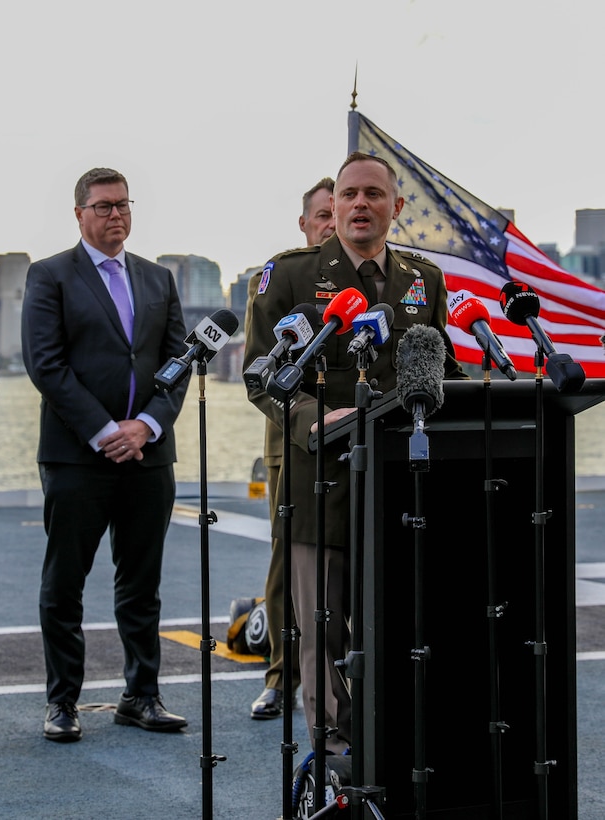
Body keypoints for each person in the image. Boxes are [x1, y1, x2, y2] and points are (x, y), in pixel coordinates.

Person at [244, 153, 466, 753]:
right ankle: (338, 761)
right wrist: (319, 418)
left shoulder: (423, 281)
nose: (360, 204)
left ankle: (392, 745)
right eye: (349, 195)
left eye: (374, 194)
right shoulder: (288, 277)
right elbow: (262, 376)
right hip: (322, 485)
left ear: (396, 207)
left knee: (398, 624)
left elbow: (443, 366)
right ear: (333, 207)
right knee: (324, 634)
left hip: (400, 483)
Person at [22, 167, 190, 742]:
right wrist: (103, 431)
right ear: (79, 214)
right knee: (65, 583)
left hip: (147, 456)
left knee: (142, 584)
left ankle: (141, 695)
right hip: (76, 458)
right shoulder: (49, 276)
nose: (114, 214)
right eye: (102, 206)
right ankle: (62, 702)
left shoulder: (159, 279)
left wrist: (145, 426)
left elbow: (178, 363)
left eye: (122, 205)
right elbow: (46, 365)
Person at [249, 177, 335, 720]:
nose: (332, 221)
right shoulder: (284, 273)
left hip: (368, 437)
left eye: (338, 210)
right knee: (289, 562)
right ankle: (283, 675)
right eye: (322, 213)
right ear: (304, 224)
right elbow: (263, 367)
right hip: (295, 443)